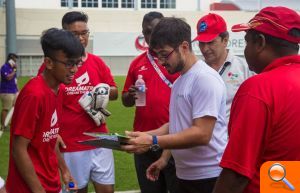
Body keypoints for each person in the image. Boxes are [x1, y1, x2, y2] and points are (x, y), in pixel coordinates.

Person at [122, 17, 227, 193]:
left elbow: (202, 134)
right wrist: (141, 135)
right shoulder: (180, 81)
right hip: (186, 174)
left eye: (164, 54)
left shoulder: (204, 78)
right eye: (158, 55)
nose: (161, 62)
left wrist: (152, 140)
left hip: (209, 177)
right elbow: (176, 125)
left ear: (184, 47)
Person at [212, 6, 300, 193]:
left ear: (260, 43)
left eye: (246, 42)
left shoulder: (258, 89)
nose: (245, 50)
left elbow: (236, 173)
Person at [5, 28, 84, 193]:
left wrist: (65, 170)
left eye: (77, 63)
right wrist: (38, 190)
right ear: (48, 63)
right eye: (69, 63)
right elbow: (19, 149)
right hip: (28, 188)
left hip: (50, 183)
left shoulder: (59, 90)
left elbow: (49, 136)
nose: (75, 69)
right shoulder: (34, 95)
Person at [55, 11, 118, 193]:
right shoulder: (54, 66)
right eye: (75, 34)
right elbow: (44, 100)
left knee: (107, 190)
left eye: (84, 33)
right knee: (78, 190)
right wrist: (52, 133)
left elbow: (114, 92)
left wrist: (102, 91)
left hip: (100, 139)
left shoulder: (97, 62)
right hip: (71, 142)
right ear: (64, 34)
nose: (81, 38)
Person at [122, 12, 178, 193]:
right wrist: (130, 96)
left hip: (173, 139)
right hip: (143, 139)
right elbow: (125, 101)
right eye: (147, 32)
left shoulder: (176, 61)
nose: (151, 36)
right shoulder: (136, 63)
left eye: (155, 31)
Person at [193, 13, 254, 122]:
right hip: (202, 138)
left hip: (234, 138)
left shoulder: (245, 69)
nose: (205, 49)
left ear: (225, 40)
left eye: (210, 42)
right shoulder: (195, 72)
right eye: (201, 43)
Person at [0, 53, 19, 134]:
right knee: (6, 108)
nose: (15, 61)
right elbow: (8, 77)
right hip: (6, 91)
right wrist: (14, 70)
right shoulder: (4, 67)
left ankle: (11, 122)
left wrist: (17, 89)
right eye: (14, 59)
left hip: (13, 90)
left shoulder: (12, 68)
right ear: (10, 59)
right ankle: (3, 125)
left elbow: (14, 79)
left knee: (15, 107)